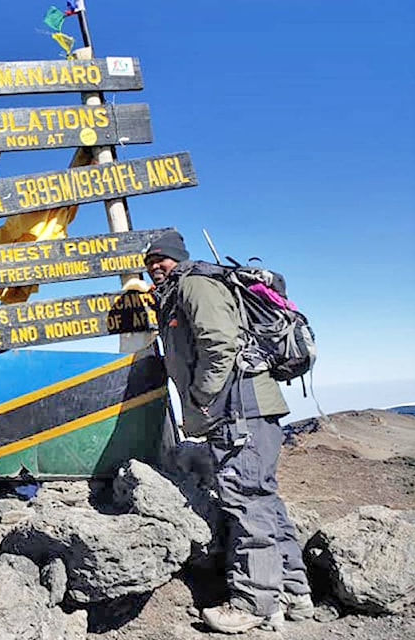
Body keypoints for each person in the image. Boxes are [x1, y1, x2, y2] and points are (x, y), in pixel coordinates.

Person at [145, 230, 313, 634]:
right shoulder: (178, 289)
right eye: (149, 262)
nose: (154, 267)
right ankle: (293, 592)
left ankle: (254, 602)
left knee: (246, 503)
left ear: (178, 258)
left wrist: (202, 396)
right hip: (244, 409)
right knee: (262, 501)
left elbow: (219, 342)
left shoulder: (194, 283)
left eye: (161, 259)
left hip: (239, 409)